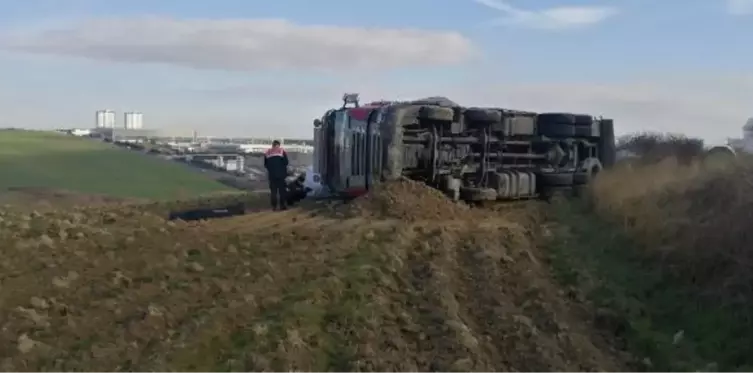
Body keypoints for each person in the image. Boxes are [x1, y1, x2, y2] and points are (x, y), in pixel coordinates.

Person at [264, 140, 289, 210]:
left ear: (272, 145)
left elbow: (265, 165)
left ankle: (274, 206)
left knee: (273, 191)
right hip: (281, 175)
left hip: (272, 175)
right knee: (282, 191)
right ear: (278, 145)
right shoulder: (282, 151)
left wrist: (271, 169)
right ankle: (282, 206)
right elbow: (286, 162)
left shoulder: (267, 152)